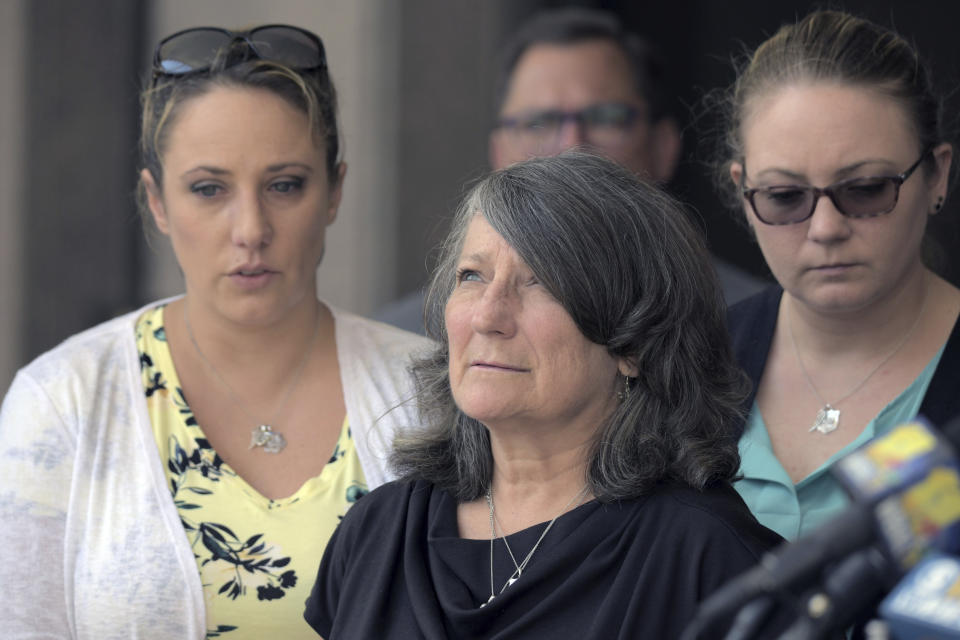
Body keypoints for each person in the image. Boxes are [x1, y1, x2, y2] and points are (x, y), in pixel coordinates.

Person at [0, 25, 429, 638]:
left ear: (334, 189)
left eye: (285, 185)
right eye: (209, 189)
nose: (250, 228)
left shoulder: (427, 392)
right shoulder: (62, 402)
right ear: (158, 203)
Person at [304, 152, 783, 639]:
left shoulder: (710, 558)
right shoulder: (377, 530)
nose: (488, 315)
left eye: (542, 282)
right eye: (472, 275)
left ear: (634, 341)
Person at [717, 10, 960, 541]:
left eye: (867, 188)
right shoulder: (692, 362)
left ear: (937, 176)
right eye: (785, 197)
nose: (826, 227)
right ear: (743, 191)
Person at [376, 8, 766, 334]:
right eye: (538, 122)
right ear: (498, 154)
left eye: (606, 118)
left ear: (664, 146)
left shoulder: (751, 326)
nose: (571, 146)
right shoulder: (411, 339)